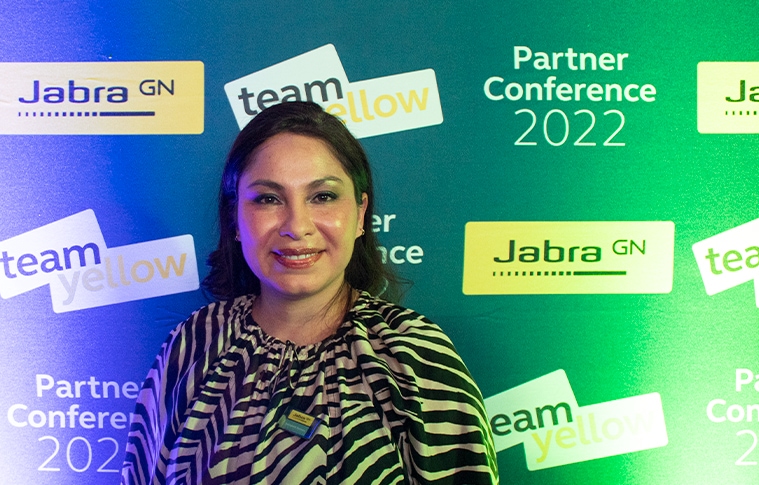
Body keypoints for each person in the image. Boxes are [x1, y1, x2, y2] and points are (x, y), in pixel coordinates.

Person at [122, 101, 498, 484]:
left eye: (323, 196)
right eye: (268, 198)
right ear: (235, 218)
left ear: (360, 214)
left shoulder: (417, 358)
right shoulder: (194, 344)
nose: (297, 226)